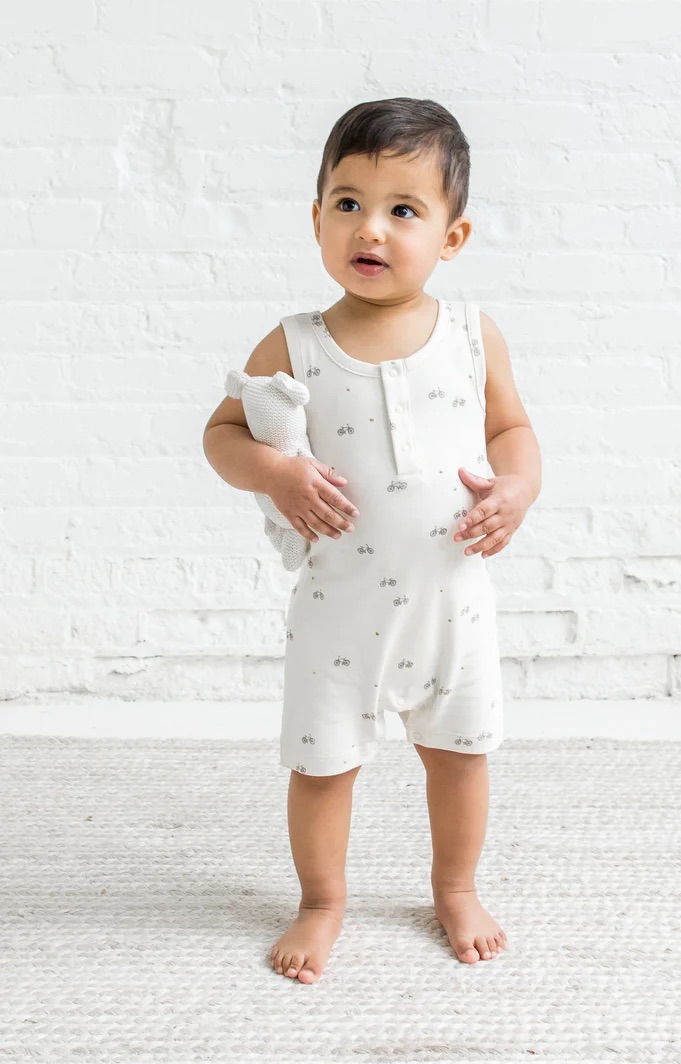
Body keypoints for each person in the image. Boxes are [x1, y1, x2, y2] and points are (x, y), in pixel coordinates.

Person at [202, 97, 541, 984]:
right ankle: (321, 898)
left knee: (460, 756)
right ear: (316, 219)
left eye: (404, 210)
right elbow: (222, 435)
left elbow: (513, 431)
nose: (373, 229)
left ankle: (455, 887)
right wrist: (276, 473)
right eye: (348, 203)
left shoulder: (473, 335)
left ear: (452, 236)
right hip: (338, 610)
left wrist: (519, 488)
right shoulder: (298, 342)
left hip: (449, 605)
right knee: (322, 765)